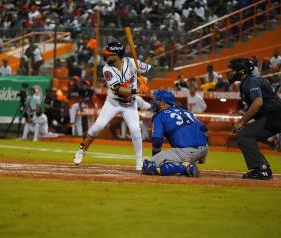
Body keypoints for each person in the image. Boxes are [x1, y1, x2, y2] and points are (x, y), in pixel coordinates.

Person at [73, 42, 153, 170]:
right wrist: (137, 90)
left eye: (109, 54)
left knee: (135, 130)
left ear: (116, 55)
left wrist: (146, 80)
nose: (106, 56)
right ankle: (82, 150)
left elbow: (151, 70)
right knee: (98, 126)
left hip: (130, 104)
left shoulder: (132, 62)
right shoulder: (107, 69)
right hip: (113, 102)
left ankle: (139, 162)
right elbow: (118, 90)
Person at [229, 58, 281, 180]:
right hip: (274, 114)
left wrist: (241, 122)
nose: (230, 73)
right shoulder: (251, 80)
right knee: (246, 133)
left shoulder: (250, 82)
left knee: (244, 135)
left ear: (240, 71)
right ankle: (263, 167)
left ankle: (262, 169)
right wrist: (244, 122)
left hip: (274, 115)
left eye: (233, 70)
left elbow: (258, 102)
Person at [142, 90, 208, 177]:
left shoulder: (160, 115)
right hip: (204, 149)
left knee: (148, 166)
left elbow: (157, 140)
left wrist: (156, 159)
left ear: (163, 103)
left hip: (186, 151)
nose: (154, 102)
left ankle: (187, 167)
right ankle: (186, 163)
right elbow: (204, 129)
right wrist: (203, 155)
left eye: (156, 100)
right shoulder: (186, 112)